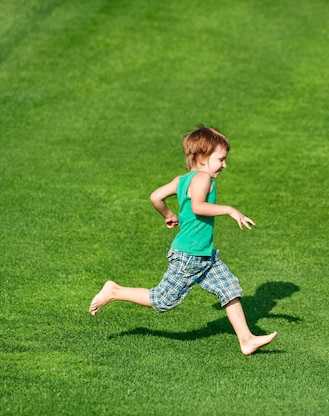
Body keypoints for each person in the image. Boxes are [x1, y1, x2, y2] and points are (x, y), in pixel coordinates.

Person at [89, 125, 277, 355]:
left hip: (205, 255)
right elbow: (198, 206)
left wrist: (168, 215)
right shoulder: (203, 178)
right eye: (221, 159)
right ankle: (114, 291)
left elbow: (155, 196)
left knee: (230, 289)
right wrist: (229, 209)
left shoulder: (182, 180)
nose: (225, 165)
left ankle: (246, 340)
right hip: (190, 256)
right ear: (202, 157)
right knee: (162, 300)